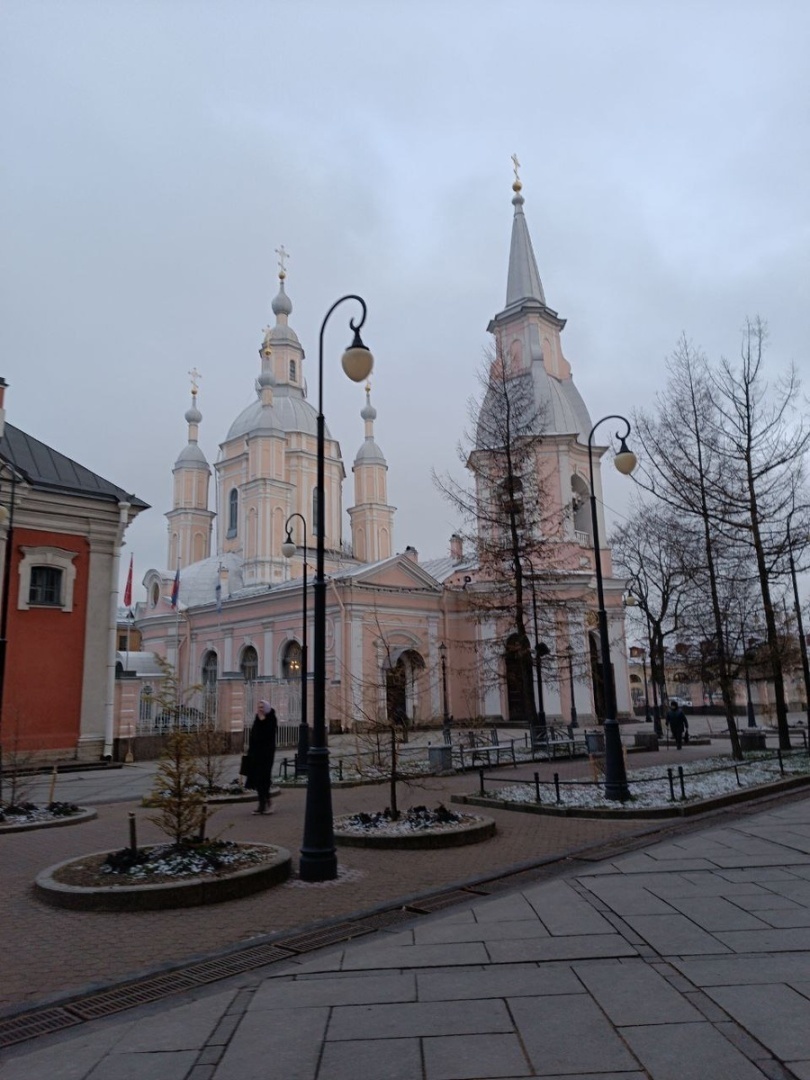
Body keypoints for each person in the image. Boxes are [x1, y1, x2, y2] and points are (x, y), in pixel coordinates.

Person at [245, 699, 278, 814]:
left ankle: (268, 802)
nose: (260, 709)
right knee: (257, 778)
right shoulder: (257, 719)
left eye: (262, 707)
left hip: (267, 754)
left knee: (265, 778)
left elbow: (268, 735)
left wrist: (263, 721)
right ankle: (261, 804)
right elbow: (254, 736)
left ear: (267, 708)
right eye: (259, 707)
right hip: (256, 754)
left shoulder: (271, 719)